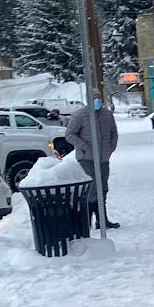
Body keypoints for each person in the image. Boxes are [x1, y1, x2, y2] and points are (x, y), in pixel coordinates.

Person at [64, 94, 120, 228]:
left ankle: (102, 219)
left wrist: (110, 148)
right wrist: (84, 146)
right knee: (91, 189)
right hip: (86, 159)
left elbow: (114, 132)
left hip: (103, 159)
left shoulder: (107, 115)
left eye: (99, 98)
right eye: (94, 98)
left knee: (103, 188)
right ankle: (87, 220)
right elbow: (69, 134)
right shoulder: (79, 115)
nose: (97, 100)